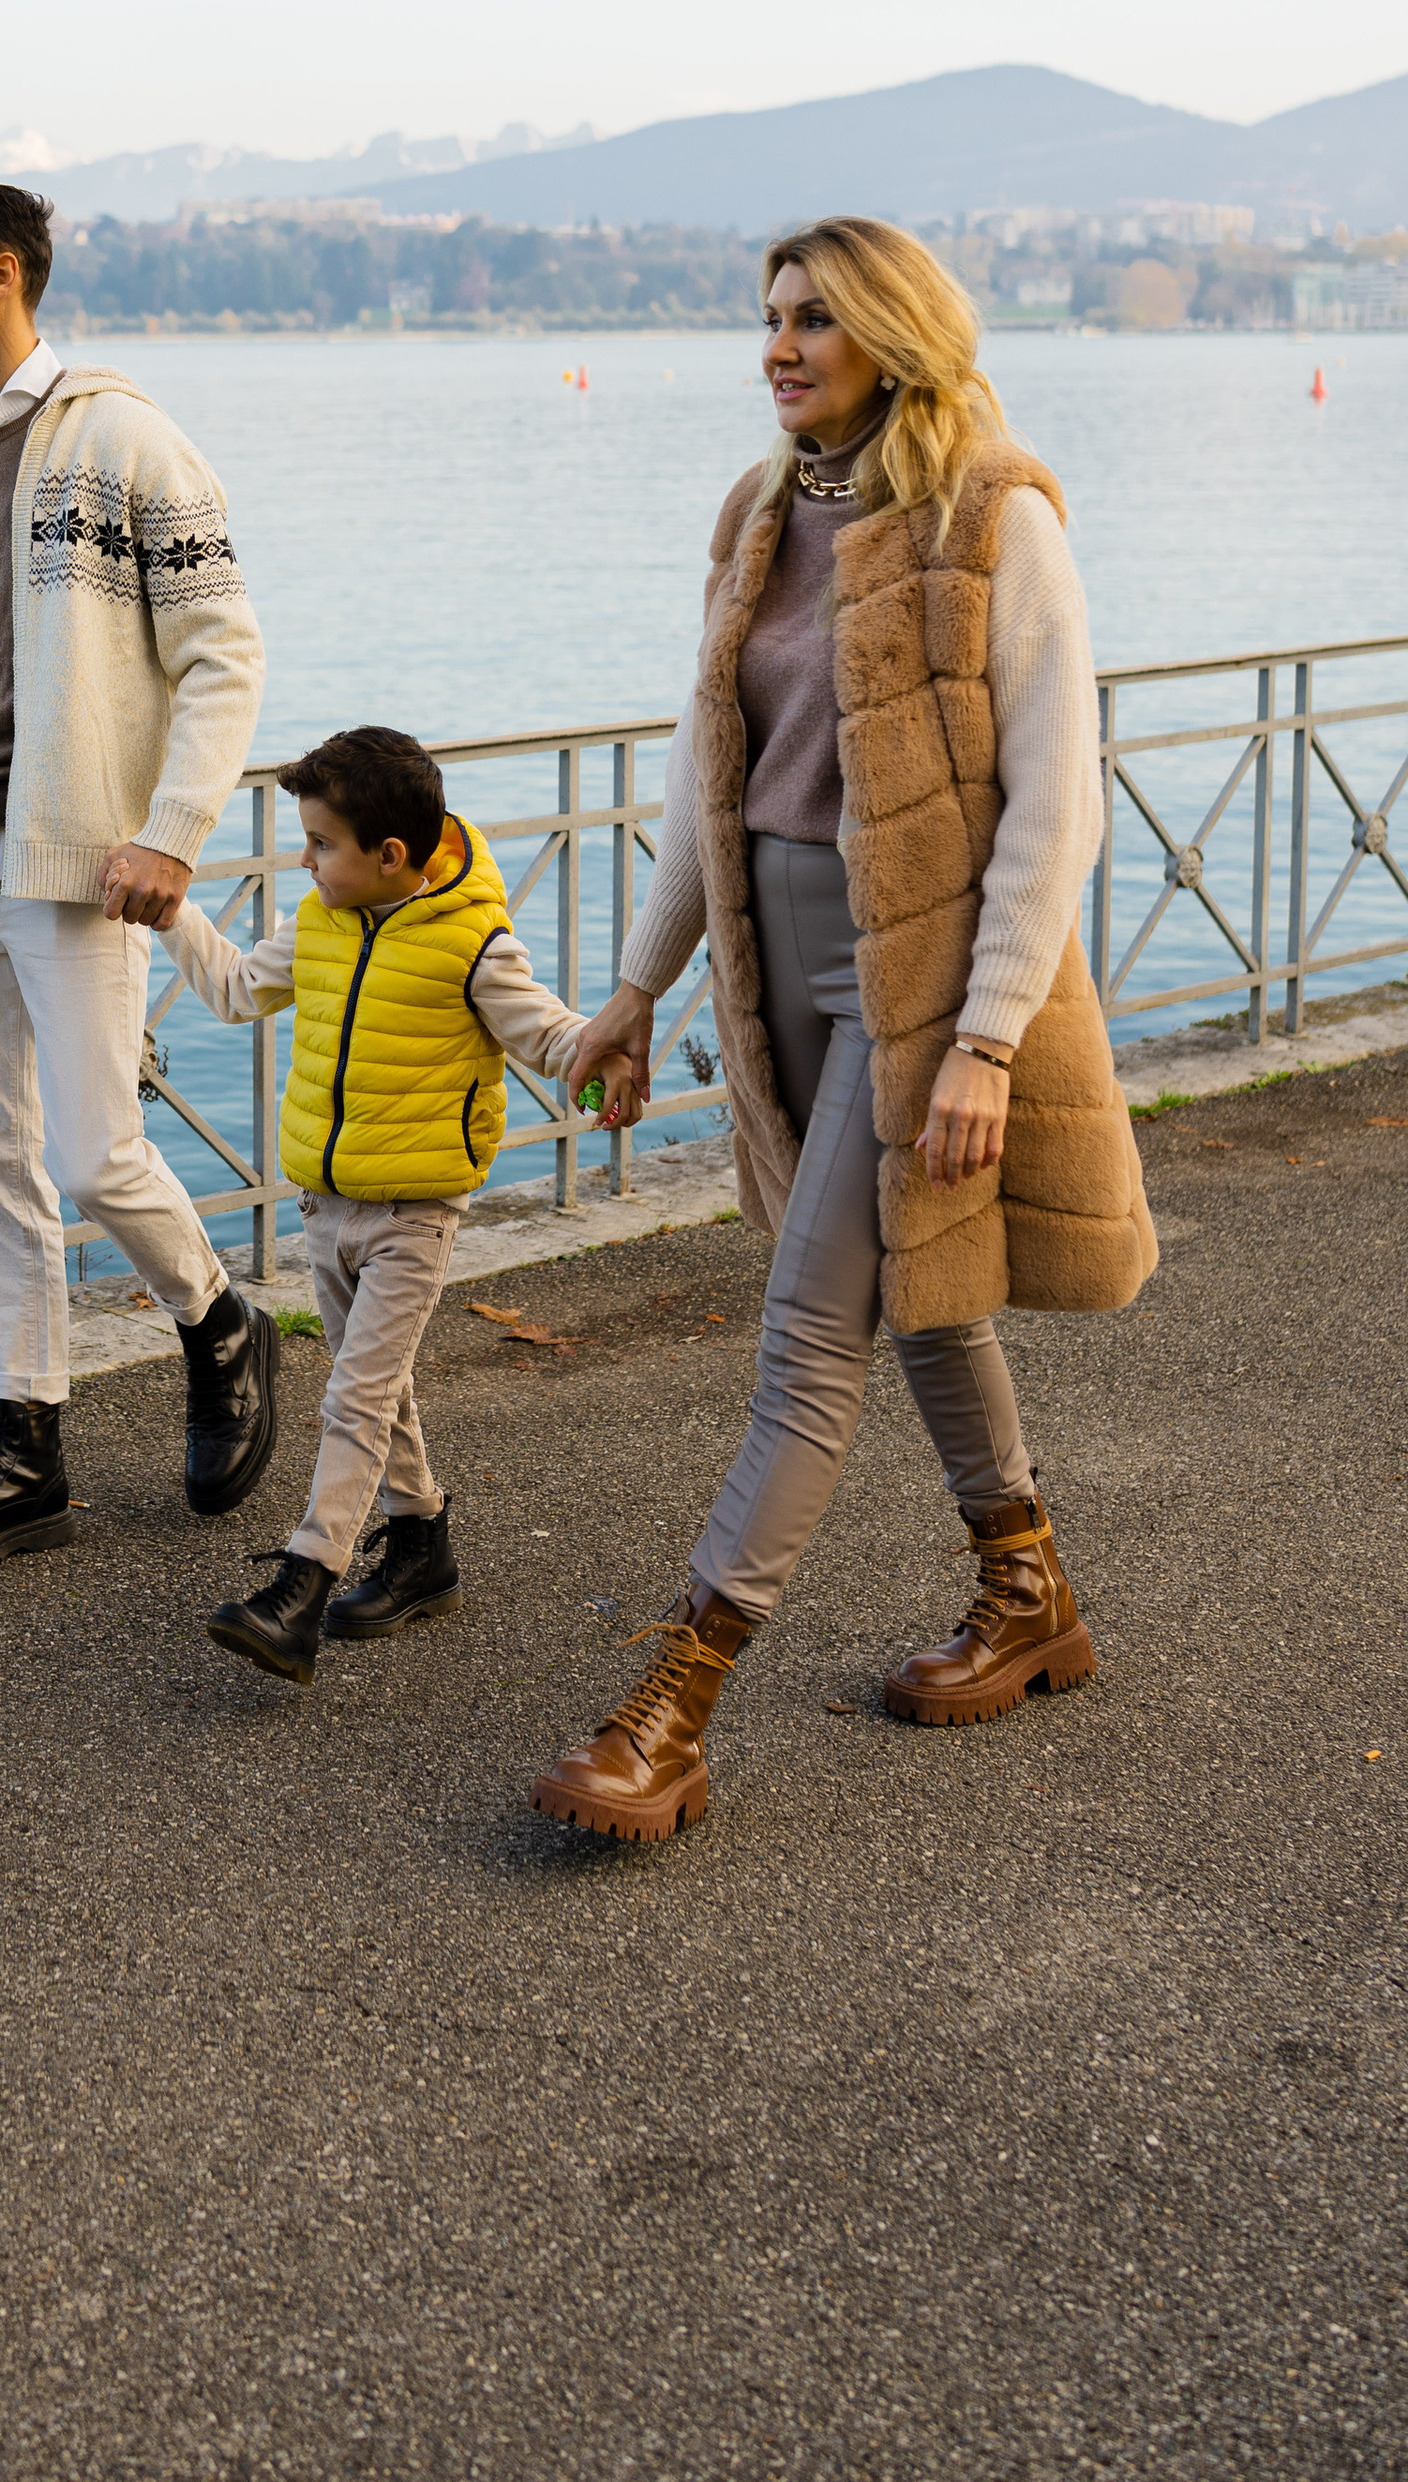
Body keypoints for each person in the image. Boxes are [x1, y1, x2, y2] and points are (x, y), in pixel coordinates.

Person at [532, 215, 1156, 1844]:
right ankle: (1028, 1598)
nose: (782, 347)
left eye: (815, 318)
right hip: (778, 957)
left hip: (919, 977)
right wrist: (638, 985)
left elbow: (1054, 804)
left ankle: (675, 1707)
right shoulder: (759, 513)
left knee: (810, 1335)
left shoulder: (990, 513)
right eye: (770, 318)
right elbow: (705, 775)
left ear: (893, 328)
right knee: (926, 1302)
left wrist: (986, 1039)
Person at [0, 178, 280, 1584]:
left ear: (2, 276)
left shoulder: (130, 443)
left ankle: (216, 1321)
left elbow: (225, 654)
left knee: (93, 1154)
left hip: (78, 866)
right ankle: (27, 1450)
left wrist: (175, 831)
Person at [162, 726, 589, 1684]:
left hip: (414, 1216)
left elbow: (550, 1035)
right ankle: (421, 1546)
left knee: (353, 1395)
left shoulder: (474, 943)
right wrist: (170, 915)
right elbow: (234, 991)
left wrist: (605, 1073)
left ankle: (303, 1588)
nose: (306, 861)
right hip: (326, 1207)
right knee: (378, 1388)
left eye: (320, 844)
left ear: (389, 856)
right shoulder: (319, 923)